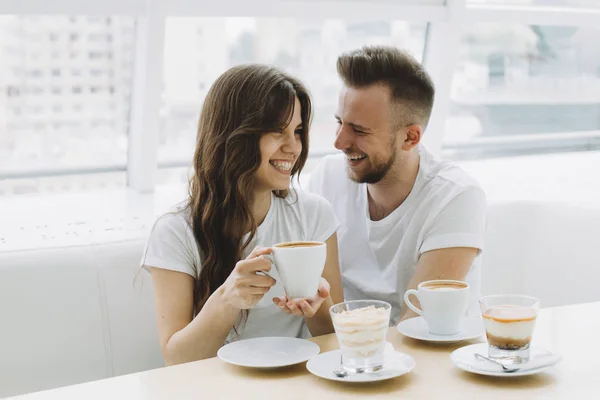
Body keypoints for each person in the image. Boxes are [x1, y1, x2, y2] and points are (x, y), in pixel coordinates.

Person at [140, 64, 343, 365]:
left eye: (297, 132)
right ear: (235, 137)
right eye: (277, 132)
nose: (293, 147)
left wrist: (318, 306)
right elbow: (177, 360)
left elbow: (334, 339)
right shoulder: (174, 231)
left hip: (298, 379)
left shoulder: (314, 214)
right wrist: (227, 299)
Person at [306, 46, 487, 325]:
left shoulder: (455, 197)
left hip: (425, 356)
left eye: (359, 130)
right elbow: (323, 310)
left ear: (411, 138)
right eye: (340, 123)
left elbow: (418, 327)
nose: (339, 142)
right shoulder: (327, 177)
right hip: (347, 351)